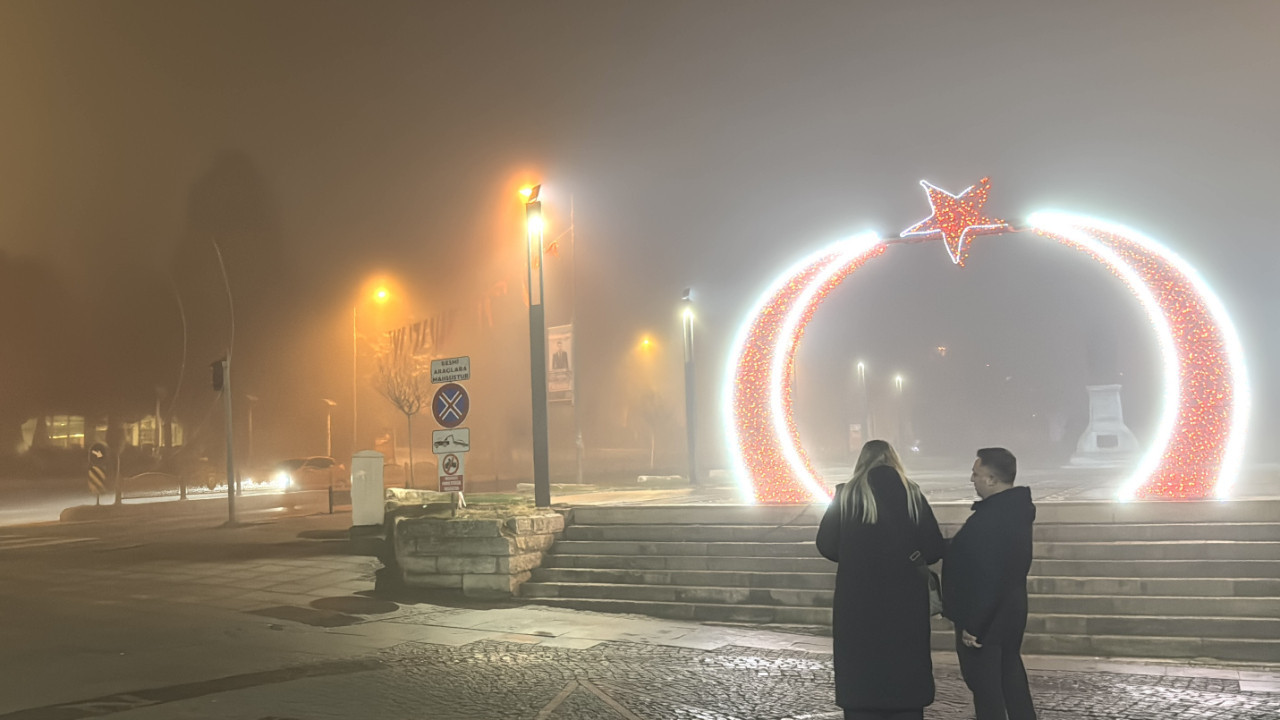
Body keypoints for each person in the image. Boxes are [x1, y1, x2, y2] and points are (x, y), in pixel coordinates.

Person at [816, 440, 945, 720]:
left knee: (860, 666)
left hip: (857, 602)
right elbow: (934, 548)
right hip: (905, 602)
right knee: (905, 665)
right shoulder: (911, 493)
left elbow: (825, 544)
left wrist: (854, 556)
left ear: (861, 462)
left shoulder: (846, 494)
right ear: (894, 460)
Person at [942, 447, 1038, 720]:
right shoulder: (1013, 511)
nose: (972, 479)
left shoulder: (992, 518)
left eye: (976, 473)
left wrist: (975, 624)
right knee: (1010, 681)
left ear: (992, 479)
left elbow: (989, 574)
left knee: (987, 692)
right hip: (1009, 612)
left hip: (986, 619)